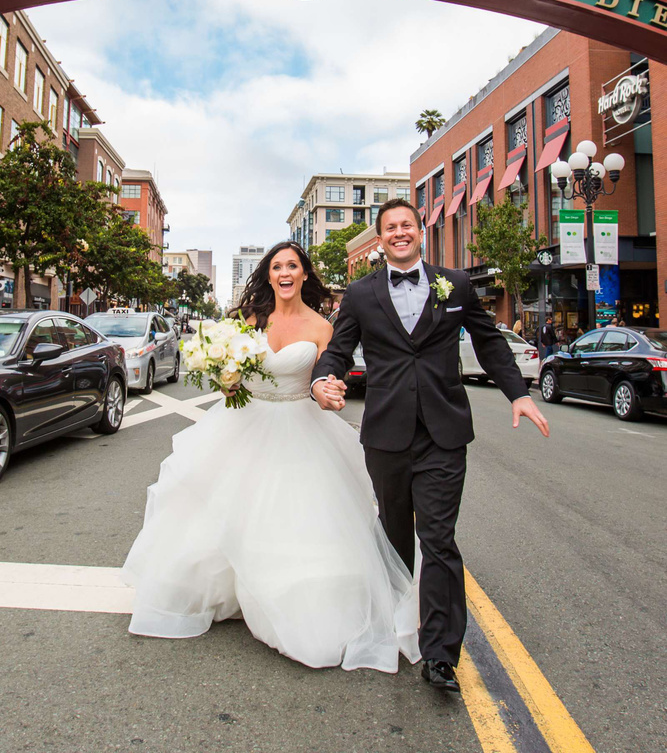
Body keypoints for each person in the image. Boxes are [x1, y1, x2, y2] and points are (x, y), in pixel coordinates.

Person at [123, 241, 420, 674]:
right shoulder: (247, 320)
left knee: (298, 518)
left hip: (302, 426)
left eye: (292, 266)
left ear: (303, 275)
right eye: (277, 266)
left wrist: (330, 393)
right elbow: (230, 373)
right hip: (243, 422)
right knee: (225, 510)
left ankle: (292, 599)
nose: (284, 272)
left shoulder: (322, 328)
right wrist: (226, 380)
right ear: (269, 275)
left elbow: (327, 377)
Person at [312, 199, 549, 692]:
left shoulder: (456, 285)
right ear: (380, 240)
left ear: (421, 232)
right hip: (387, 436)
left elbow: (489, 342)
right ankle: (391, 625)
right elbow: (337, 349)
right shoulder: (359, 293)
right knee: (394, 533)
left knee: (438, 540)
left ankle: (441, 655)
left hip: (444, 434)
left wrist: (520, 394)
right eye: (390, 228)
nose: (400, 233)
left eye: (407, 225)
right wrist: (321, 382)